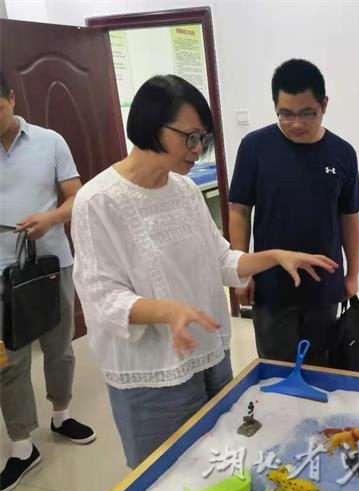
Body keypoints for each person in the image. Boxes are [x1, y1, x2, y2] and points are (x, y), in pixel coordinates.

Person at [71, 75, 338, 468]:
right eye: (190, 138)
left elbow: (222, 261)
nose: (198, 150)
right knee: (166, 476)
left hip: (211, 356)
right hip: (155, 372)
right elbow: (101, 298)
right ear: (151, 126)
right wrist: (168, 311)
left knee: (218, 463)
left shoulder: (184, 191)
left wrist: (273, 256)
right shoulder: (98, 201)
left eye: (203, 139)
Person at [228, 59, 359, 365]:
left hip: (325, 284)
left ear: (324, 105)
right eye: (286, 114)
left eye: (306, 113)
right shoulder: (255, 147)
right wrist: (241, 272)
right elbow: (239, 211)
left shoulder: (342, 153)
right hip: (271, 285)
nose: (297, 124)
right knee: (275, 369)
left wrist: (352, 273)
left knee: (321, 368)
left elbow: (349, 218)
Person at [0, 71, 95, 491]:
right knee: (9, 360)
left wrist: (50, 218)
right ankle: (22, 446)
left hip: (50, 262)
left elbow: (77, 196)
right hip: (0, 271)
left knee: (59, 346)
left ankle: (61, 415)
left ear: (12, 99)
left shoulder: (50, 142)